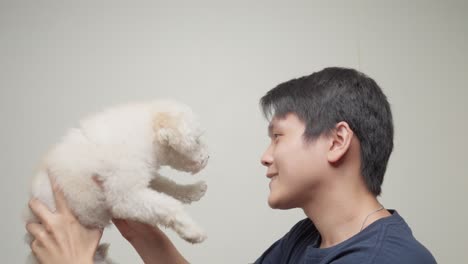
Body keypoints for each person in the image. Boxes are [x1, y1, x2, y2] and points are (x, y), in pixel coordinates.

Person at [26, 67, 436, 263]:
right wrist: (142, 231)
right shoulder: (305, 240)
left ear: (336, 141)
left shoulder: (386, 261)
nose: (265, 156)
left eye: (278, 136)